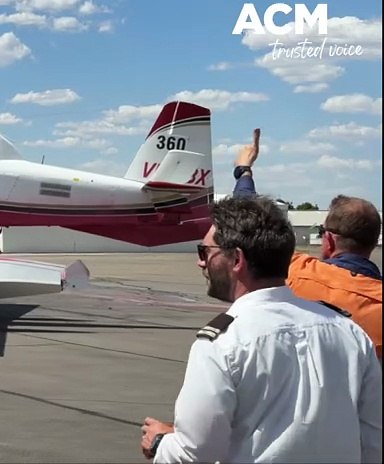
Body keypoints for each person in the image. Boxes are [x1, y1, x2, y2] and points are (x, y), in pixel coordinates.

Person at [140, 196, 382, 463]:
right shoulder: (350, 332)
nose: (200, 262)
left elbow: (195, 452)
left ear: (237, 259)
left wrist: (161, 443)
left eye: (204, 252)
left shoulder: (222, 343)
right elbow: (373, 442)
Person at [231, 128, 382, 360]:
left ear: (329, 240)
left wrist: (244, 171)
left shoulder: (296, 271)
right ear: (373, 242)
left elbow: (250, 223)